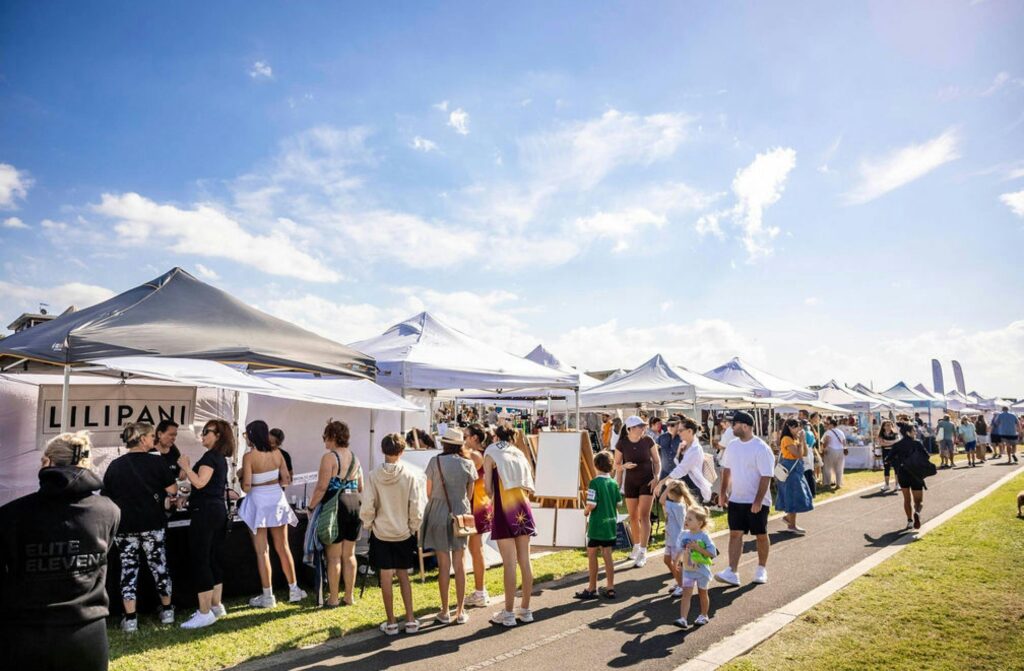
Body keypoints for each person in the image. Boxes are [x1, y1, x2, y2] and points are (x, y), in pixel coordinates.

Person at [0, 431, 120, 671]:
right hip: (89, 634)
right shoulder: (109, 510)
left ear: (46, 462)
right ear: (86, 463)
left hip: (28, 635)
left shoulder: (11, 515)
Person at [102, 422, 177, 631]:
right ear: (142, 438)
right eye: (152, 436)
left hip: (125, 526)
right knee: (159, 566)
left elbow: (106, 497)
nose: (154, 440)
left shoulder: (115, 466)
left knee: (128, 569)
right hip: (153, 524)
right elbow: (172, 490)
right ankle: (168, 611)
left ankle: (131, 618)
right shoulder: (157, 463)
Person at [360, 433, 426, 635]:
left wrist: (369, 524)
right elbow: (416, 506)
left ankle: (390, 622)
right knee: (404, 575)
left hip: (381, 531)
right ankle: (411, 619)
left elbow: (368, 504)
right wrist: (413, 527)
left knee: (386, 577)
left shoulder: (373, 475)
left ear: (383, 450)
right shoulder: (409, 475)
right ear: (402, 451)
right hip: (403, 531)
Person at [238, 420, 304, 609]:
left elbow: (246, 486)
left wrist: (241, 476)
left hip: (258, 501)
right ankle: (294, 589)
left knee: (262, 551)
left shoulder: (249, 457)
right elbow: (286, 479)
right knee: (283, 546)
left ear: (251, 435)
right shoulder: (278, 454)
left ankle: (268, 596)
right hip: (276, 499)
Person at [177, 419, 234, 629]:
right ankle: (216, 605)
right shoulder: (219, 458)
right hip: (216, 510)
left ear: (218, 435)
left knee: (202, 559)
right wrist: (189, 495)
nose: (202, 435)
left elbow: (200, 482)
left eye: (206, 432)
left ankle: (204, 611)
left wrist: (185, 467)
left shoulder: (211, 457)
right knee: (212, 558)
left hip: (206, 514)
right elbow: (206, 486)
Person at [421, 428, 478, 625]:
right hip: (460, 514)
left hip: (438, 513)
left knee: (443, 564)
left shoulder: (434, 462)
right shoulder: (468, 464)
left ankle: (444, 611)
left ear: (444, 443)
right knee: (460, 564)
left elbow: (428, 492)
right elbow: (469, 495)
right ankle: (460, 611)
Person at [484, 425, 536, 628]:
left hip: (504, 509)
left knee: (509, 563)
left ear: (495, 436)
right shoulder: (519, 453)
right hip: (523, 506)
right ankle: (526, 609)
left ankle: (507, 613)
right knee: (525, 560)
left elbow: (488, 489)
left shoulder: (491, 451)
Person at [307, 420, 363, 608]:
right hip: (354, 504)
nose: (324, 442)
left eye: (325, 437)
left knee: (333, 557)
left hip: (335, 506)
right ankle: (349, 596)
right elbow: (361, 486)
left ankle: (333, 598)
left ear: (332, 437)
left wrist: (310, 506)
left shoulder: (329, 457)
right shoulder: (356, 458)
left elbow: (322, 486)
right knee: (350, 554)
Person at [714, 411, 773, 587]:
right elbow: (727, 470)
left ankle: (761, 569)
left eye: (735, 424)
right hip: (736, 499)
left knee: (760, 535)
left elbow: (766, 476)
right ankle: (732, 571)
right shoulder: (732, 445)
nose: (732, 427)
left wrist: (757, 501)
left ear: (745, 426)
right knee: (735, 534)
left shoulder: (761, 448)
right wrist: (723, 493)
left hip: (757, 501)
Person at [613, 416, 661, 568]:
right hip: (630, 483)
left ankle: (643, 551)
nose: (643, 428)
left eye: (643, 426)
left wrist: (656, 478)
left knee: (644, 516)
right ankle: (636, 545)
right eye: (640, 426)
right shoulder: (622, 443)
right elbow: (616, 465)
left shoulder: (648, 441)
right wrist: (623, 467)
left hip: (647, 482)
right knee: (633, 516)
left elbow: (657, 461)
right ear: (630, 429)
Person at [575, 450, 623, 600]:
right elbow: (619, 503)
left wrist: (585, 511)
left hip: (597, 525)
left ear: (596, 465)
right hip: (610, 524)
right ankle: (610, 587)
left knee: (592, 554)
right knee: (607, 555)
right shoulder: (614, 483)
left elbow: (591, 504)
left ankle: (592, 587)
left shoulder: (594, 482)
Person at [462, 424, 493, 608]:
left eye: (466, 436)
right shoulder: (483, 452)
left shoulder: (475, 455)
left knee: (475, 550)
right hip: (482, 505)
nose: (464, 439)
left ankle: (480, 591)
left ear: (474, 437)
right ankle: (480, 591)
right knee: (476, 549)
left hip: (476, 506)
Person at [674, 505, 718, 630]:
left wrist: (698, 548)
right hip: (688, 571)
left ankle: (703, 615)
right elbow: (680, 549)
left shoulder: (704, 536)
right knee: (686, 593)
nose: (686, 521)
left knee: (702, 593)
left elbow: (712, 553)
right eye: (686, 518)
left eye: (690, 519)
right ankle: (683, 619)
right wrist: (677, 561)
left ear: (699, 523)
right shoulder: (683, 534)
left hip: (701, 571)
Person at [884, 423, 930, 530]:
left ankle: (909, 521)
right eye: (914, 430)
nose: (916, 432)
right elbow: (926, 456)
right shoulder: (917, 443)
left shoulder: (897, 445)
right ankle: (917, 512)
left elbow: (887, 459)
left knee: (906, 499)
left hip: (903, 473)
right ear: (908, 433)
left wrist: (896, 459)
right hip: (916, 474)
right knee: (918, 501)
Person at [658, 418, 714, 504]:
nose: (678, 432)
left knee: (692, 516)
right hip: (684, 487)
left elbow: (681, 469)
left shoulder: (695, 449)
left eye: (681, 430)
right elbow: (677, 462)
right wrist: (678, 452)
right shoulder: (684, 444)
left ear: (690, 431)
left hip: (693, 488)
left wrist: (661, 482)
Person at [775, 419, 814, 534]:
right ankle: (791, 524)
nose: (799, 429)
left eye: (799, 427)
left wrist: (803, 441)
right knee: (792, 495)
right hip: (790, 470)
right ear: (789, 427)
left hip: (796, 470)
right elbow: (797, 454)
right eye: (796, 427)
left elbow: (804, 453)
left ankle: (789, 520)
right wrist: (801, 441)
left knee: (796, 495)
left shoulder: (795, 438)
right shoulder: (786, 439)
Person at [659, 479, 697, 598]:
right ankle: (679, 581)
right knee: (668, 561)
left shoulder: (676, 506)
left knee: (676, 564)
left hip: (676, 540)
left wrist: (667, 488)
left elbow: (661, 500)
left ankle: (682, 586)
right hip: (671, 539)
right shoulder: (678, 505)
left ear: (671, 493)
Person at [821, 417, 848, 489]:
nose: (827, 425)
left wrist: (824, 448)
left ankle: (827, 483)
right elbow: (844, 442)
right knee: (839, 468)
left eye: (828, 424)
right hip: (840, 451)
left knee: (827, 467)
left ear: (832, 424)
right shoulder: (841, 432)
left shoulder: (829, 432)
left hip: (831, 450)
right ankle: (838, 484)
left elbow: (827, 441)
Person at [877, 420, 900, 492]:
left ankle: (897, 485)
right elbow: (881, 443)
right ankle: (887, 485)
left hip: (895, 453)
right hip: (885, 453)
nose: (889, 426)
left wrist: (887, 442)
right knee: (886, 468)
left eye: (890, 425)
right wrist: (892, 443)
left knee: (897, 468)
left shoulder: (895, 434)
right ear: (883, 427)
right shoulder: (881, 435)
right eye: (887, 425)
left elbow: (897, 442)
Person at [656, 418, 682, 484]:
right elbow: (656, 453)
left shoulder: (683, 437)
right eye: (668, 425)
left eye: (672, 425)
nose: (669, 427)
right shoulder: (661, 437)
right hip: (664, 472)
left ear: (679, 425)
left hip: (678, 474)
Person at [801, 420, 818, 497]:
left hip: (806, 452)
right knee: (810, 472)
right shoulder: (810, 432)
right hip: (810, 452)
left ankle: (809, 491)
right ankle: (813, 491)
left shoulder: (804, 432)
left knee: (806, 473)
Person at [808, 412, 826, 483]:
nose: (817, 418)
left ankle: (818, 477)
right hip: (812, 446)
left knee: (818, 462)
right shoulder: (809, 425)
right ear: (812, 418)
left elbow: (822, 436)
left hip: (818, 445)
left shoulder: (821, 425)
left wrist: (821, 446)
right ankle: (815, 477)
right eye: (816, 417)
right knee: (814, 463)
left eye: (818, 417)